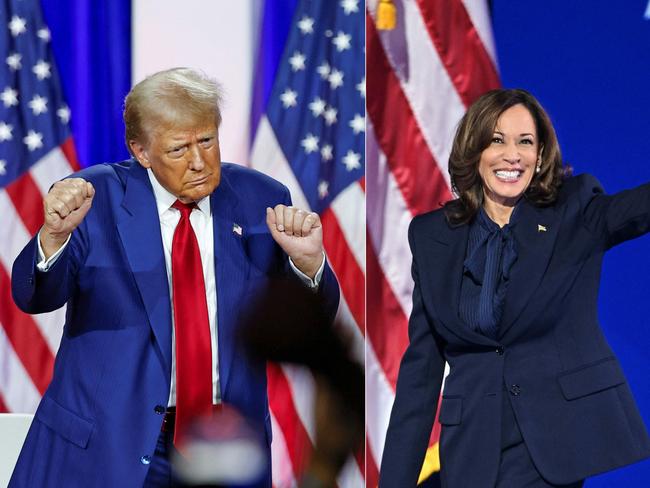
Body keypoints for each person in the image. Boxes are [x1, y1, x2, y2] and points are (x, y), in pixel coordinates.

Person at [9, 68, 339, 488]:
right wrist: (53, 237)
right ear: (141, 151)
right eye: (179, 149)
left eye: (207, 141)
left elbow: (304, 327)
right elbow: (35, 296)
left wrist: (308, 266)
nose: (199, 162)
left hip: (223, 444)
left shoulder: (262, 198)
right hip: (109, 445)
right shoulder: (93, 199)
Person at [379, 88, 650, 487]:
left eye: (525, 142)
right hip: (472, 450)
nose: (512, 155)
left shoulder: (573, 212)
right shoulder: (433, 236)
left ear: (540, 156)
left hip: (551, 446)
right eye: (497, 141)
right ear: (475, 151)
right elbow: (422, 370)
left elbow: (635, 210)